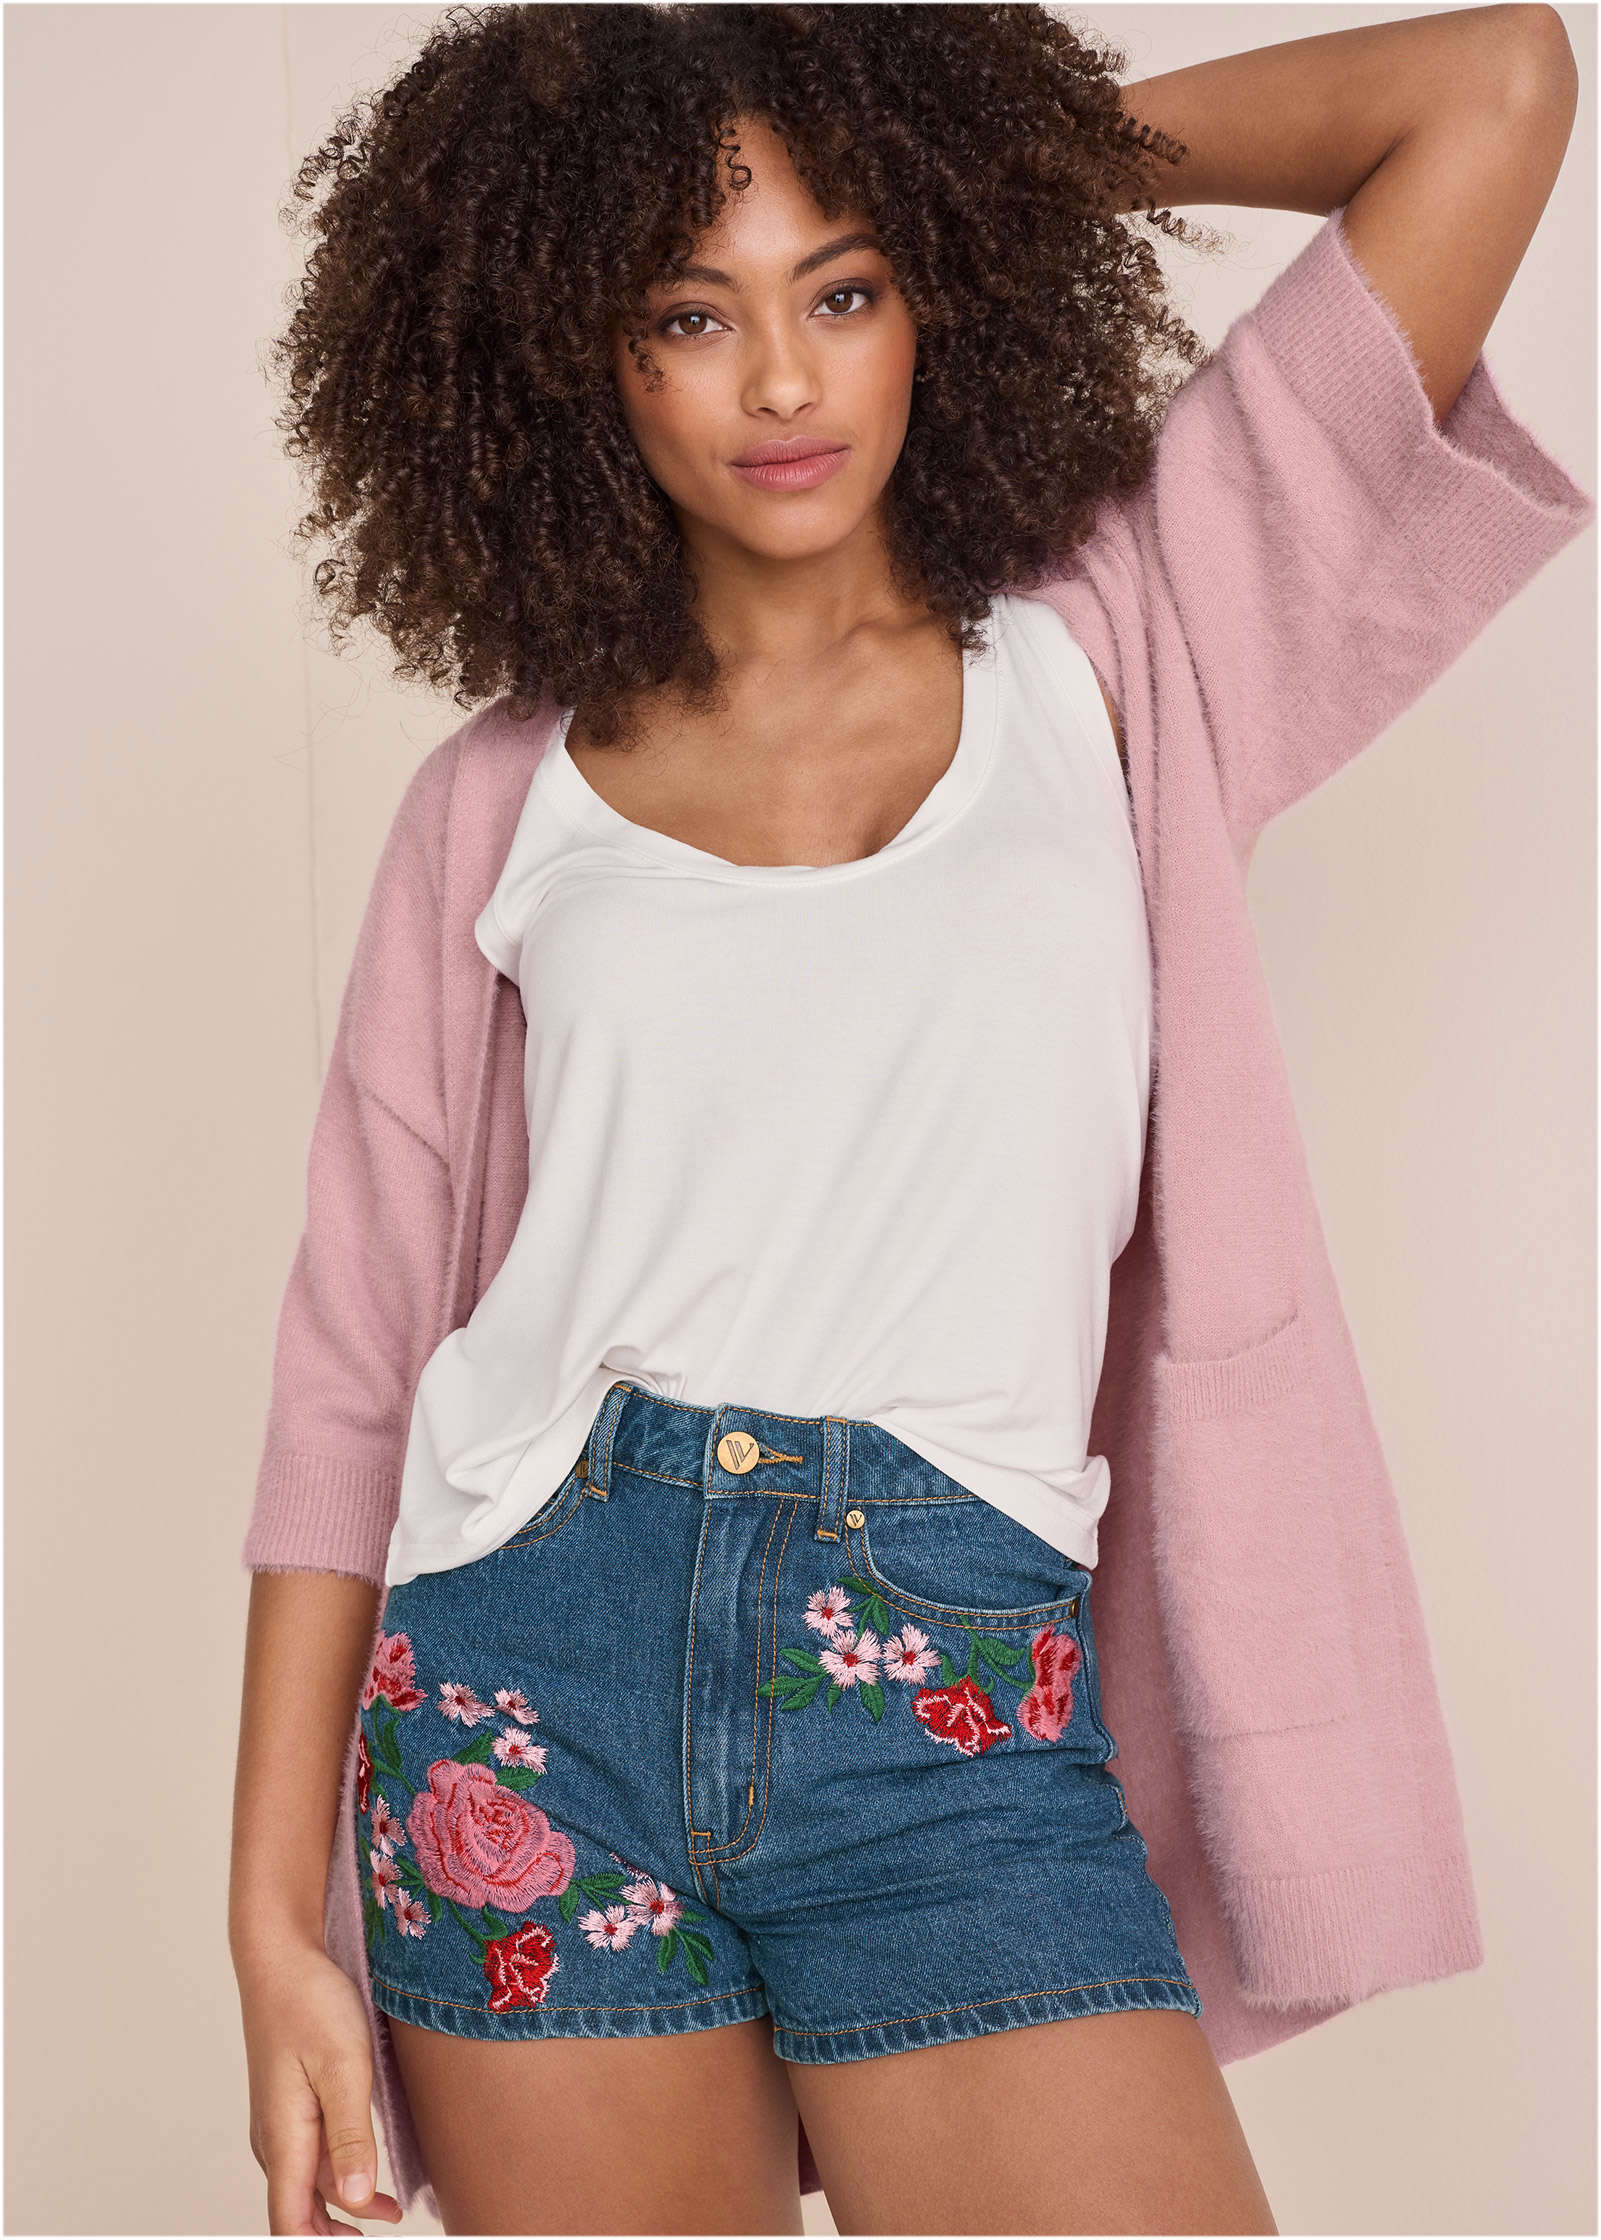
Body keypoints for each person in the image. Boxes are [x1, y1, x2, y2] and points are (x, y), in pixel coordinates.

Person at [230, 4, 1590, 2234]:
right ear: (580, 354)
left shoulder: (1128, 643)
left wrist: (978, 163)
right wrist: (270, 1922)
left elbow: (1497, 87)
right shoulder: (493, 803)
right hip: (523, 1684)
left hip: (946, 1688)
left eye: (845, 287)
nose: (783, 379)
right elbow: (351, 1375)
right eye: (693, 313)